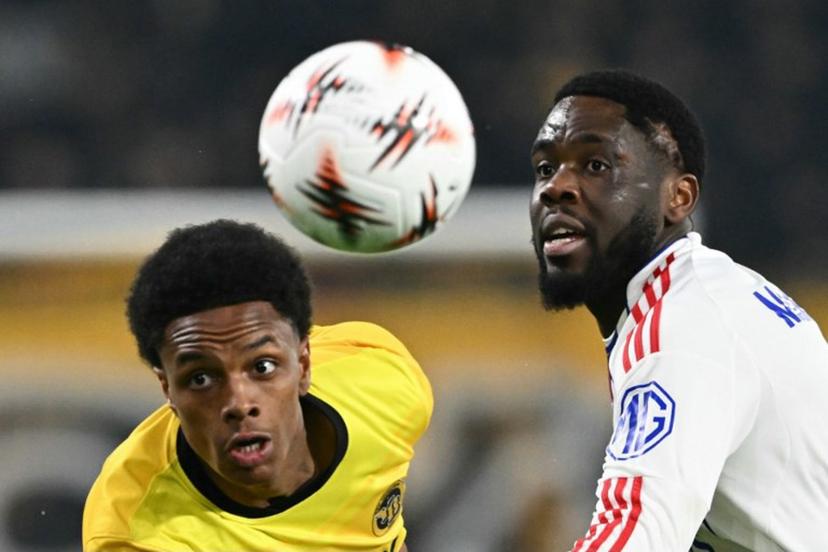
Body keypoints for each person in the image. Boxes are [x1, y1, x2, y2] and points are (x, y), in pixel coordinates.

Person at [529, 69, 828, 550]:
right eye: (545, 168)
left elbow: (635, 537)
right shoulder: (706, 296)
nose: (555, 188)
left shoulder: (682, 329)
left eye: (596, 166)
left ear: (679, 197)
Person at [83, 219, 432, 551]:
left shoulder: (380, 382)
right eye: (201, 378)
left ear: (304, 364)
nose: (238, 402)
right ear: (167, 390)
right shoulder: (137, 530)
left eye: (262, 367)